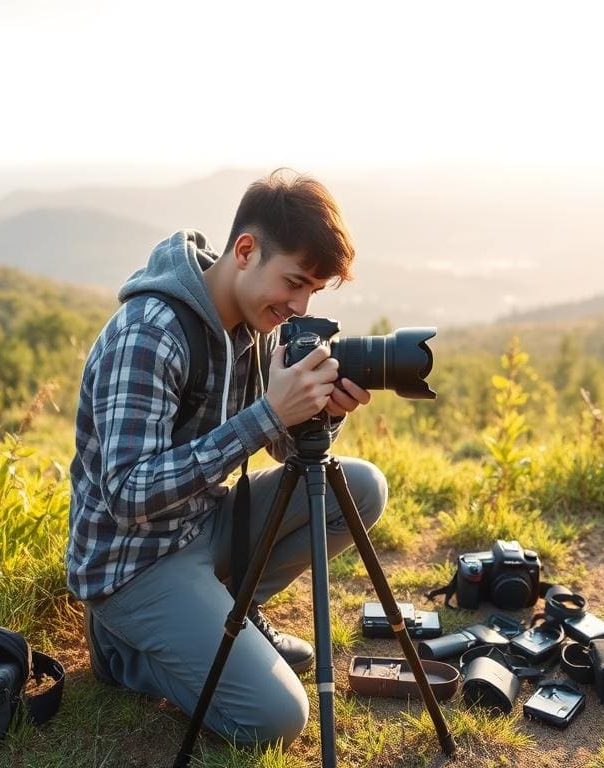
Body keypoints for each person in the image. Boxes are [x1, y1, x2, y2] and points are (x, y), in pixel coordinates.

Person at [67, 169, 388, 747]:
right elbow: (127, 495)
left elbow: (284, 450)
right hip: (134, 564)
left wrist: (321, 412)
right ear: (245, 250)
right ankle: (123, 653)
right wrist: (267, 413)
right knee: (277, 719)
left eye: (312, 290)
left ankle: (223, 619)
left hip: (204, 524)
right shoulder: (150, 333)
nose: (299, 304)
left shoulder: (256, 325)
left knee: (362, 489)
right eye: (293, 282)